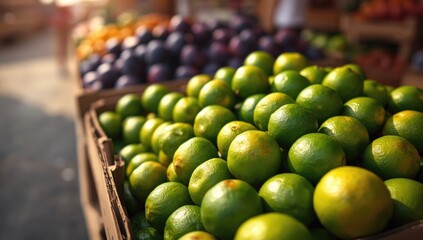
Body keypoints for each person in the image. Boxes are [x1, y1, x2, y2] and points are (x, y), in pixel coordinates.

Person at [50, 1, 73, 76]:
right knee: (60, 45)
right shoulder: (60, 5)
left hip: (64, 25)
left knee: (64, 45)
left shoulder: (65, 6)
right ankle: (61, 63)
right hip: (60, 25)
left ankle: (63, 62)